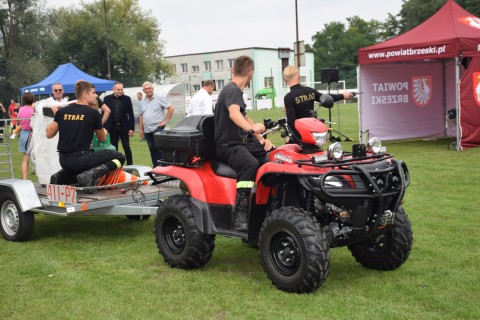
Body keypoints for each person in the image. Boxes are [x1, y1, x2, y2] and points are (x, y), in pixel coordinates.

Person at [214, 55, 274, 232]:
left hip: (241, 141)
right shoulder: (231, 90)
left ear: (233, 69)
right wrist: (252, 129)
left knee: (272, 157)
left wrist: (261, 138)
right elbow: (234, 114)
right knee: (250, 164)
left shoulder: (235, 91)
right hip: (228, 145)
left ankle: (270, 205)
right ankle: (240, 213)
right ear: (251, 73)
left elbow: (244, 115)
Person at [46, 80, 125, 192]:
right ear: (85, 94)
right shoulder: (93, 113)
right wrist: (104, 131)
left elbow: (49, 134)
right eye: (93, 93)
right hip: (81, 159)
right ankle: (91, 175)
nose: (96, 95)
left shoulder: (62, 112)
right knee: (120, 157)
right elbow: (102, 139)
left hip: (64, 160)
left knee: (80, 166)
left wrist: (57, 116)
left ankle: (60, 176)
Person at [283, 65, 353, 137]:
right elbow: (326, 98)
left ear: (285, 79)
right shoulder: (309, 91)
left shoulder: (288, 97)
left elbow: (291, 123)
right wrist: (343, 96)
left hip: (299, 135)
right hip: (312, 131)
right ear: (298, 77)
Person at [139, 81, 174, 167]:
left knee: (159, 148)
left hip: (158, 127)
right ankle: (156, 167)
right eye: (146, 89)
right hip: (147, 129)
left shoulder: (159, 98)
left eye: (149, 88)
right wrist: (141, 129)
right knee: (152, 148)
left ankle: (164, 167)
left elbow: (171, 108)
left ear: (152, 88)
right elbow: (141, 115)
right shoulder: (142, 101)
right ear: (143, 90)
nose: (148, 90)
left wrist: (165, 121)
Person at [104, 82, 135, 165]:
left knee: (126, 146)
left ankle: (130, 164)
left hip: (123, 126)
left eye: (121, 89)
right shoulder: (107, 99)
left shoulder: (127, 99)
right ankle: (115, 165)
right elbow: (103, 114)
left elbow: (131, 114)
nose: (120, 91)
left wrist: (131, 128)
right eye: (118, 89)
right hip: (111, 127)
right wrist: (103, 127)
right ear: (113, 89)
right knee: (113, 147)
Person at [16, 93, 36, 179]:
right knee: (38, 157)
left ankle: (25, 179)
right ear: (33, 100)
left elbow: (18, 122)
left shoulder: (21, 109)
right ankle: (42, 179)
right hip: (34, 133)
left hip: (24, 133)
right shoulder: (34, 109)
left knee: (25, 158)